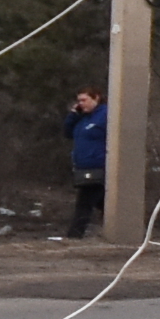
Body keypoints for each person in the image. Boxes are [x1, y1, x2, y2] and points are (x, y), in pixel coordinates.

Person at [63, 86, 107, 236]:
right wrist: (73, 115)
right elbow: (67, 133)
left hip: (99, 166)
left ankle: (74, 235)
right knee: (102, 203)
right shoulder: (82, 119)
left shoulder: (104, 115)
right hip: (83, 167)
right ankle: (125, 226)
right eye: (79, 101)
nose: (81, 103)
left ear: (96, 98)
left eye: (84, 100)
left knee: (84, 203)